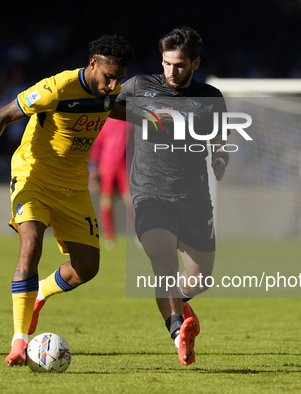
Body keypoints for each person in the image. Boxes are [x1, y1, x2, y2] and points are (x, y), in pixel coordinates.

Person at [0, 35, 134, 366]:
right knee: (31, 244)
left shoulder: (108, 90)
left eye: (119, 79)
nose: (113, 84)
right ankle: (19, 341)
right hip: (33, 174)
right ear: (93, 64)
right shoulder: (56, 88)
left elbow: (110, 108)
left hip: (73, 184)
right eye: (108, 76)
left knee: (88, 268)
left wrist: (158, 120)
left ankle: (41, 292)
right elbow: (1, 115)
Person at [112, 26, 228, 366]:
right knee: (162, 258)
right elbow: (106, 104)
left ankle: (176, 302)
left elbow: (221, 138)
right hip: (150, 192)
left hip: (193, 196)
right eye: (166, 64)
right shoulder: (139, 87)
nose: (171, 72)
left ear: (195, 63)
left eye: (179, 65)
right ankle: (179, 331)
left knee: (202, 277)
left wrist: (220, 157)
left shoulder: (210, 97)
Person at [88, 118, 130, 249]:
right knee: (106, 200)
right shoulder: (103, 123)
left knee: (131, 200)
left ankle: (139, 234)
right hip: (106, 166)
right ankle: (109, 237)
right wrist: (93, 171)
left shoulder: (128, 123)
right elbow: (96, 147)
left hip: (124, 165)